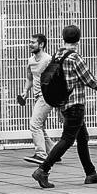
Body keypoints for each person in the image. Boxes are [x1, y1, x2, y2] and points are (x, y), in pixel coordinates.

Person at [33, 23, 97, 188]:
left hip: (63, 103)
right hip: (75, 104)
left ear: (63, 38)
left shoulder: (58, 55)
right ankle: (43, 169)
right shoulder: (75, 57)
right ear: (78, 39)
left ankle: (91, 173)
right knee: (67, 139)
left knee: (82, 138)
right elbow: (88, 79)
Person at [18, 33, 56, 167]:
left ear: (41, 44)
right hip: (37, 96)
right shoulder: (31, 60)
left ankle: (41, 154)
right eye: (30, 42)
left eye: (33, 42)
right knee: (40, 126)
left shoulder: (48, 60)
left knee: (34, 124)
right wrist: (25, 91)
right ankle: (53, 153)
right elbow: (30, 78)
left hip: (46, 97)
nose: (30, 44)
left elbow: (55, 80)